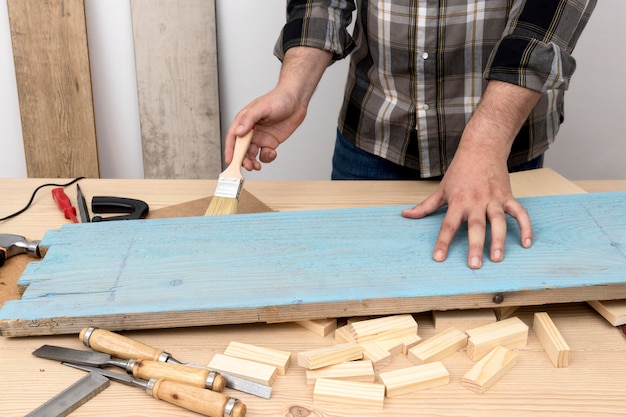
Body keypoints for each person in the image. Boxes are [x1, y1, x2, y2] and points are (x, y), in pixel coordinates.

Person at [223, 0, 596, 269]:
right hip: (375, 134)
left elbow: (552, 13)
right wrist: (294, 88)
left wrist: (487, 140)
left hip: (505, 147)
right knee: (349, 289)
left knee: (499, 299)